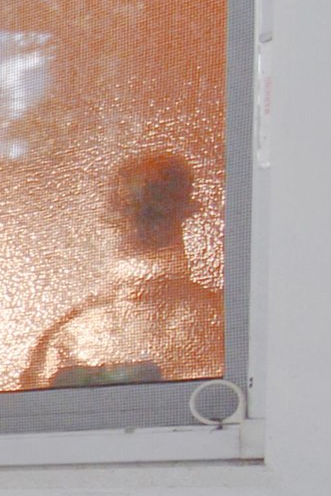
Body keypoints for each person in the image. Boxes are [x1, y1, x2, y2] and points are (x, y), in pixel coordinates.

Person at [21, 150, 223, 388]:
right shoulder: (70, 336)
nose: (144, 226)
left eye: (155, 211)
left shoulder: (220, 321)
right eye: (140, 211)